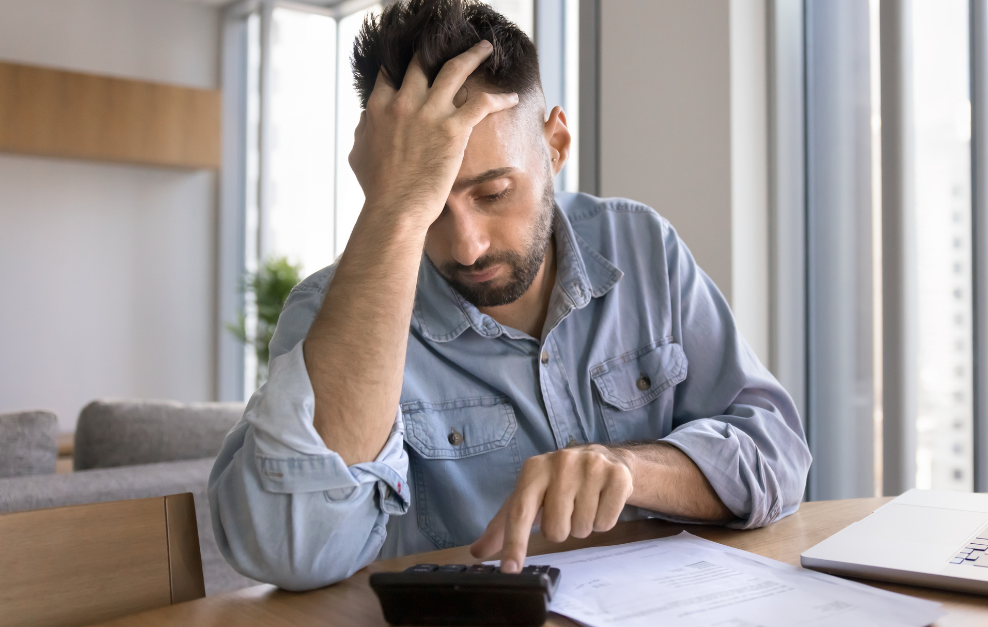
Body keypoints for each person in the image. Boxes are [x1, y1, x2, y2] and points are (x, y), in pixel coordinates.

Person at [209, 0, 811, 591]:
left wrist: (631, 469)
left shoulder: (641, 246)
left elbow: (778, 454)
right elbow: (292, 551)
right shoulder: (329, 313)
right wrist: (395, 211)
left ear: (556, 145)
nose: (467, 246)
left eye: (493, 193)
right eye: (431, 206)